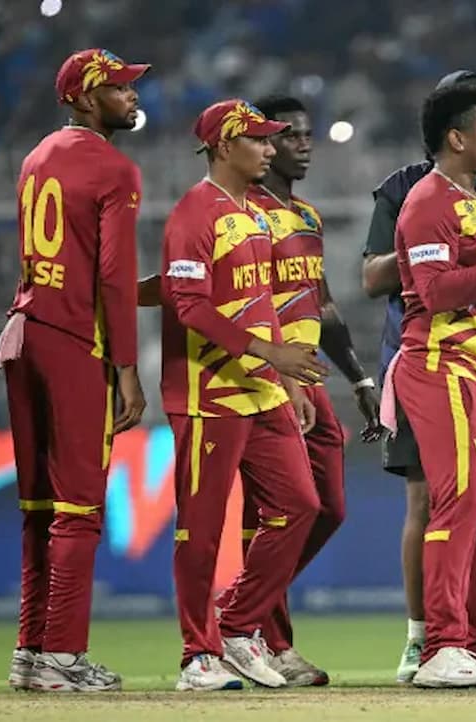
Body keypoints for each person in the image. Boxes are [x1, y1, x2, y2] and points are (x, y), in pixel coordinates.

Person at [361, 70, 476, 683]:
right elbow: (435, 292)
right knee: (455, 505)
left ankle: (469, 639)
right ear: (457, 138)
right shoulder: (427, 203)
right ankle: (439, 646)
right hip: (444, 370)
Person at [208, 94, 383, 687]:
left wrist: (359, 377)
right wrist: (279, 370)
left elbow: (321, 305)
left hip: (308, 377)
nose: (303, 145)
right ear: (260, 144)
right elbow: (247, 303)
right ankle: (268, 640)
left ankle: (240, 610)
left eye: (308, 135)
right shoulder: (243, 214)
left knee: (326, 509)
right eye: (290, 135)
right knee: (275, 514)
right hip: (260, 378)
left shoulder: (305, 217)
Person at [161, 98, 330, 692]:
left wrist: (287, 378)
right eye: (257, 139)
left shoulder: (255, 213)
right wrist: (271, 354)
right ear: (224, 146)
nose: (269, 148)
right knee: (202, 529)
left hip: (263, 390)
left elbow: (265, 303)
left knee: (301, 506)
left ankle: (235, 625)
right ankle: (197, 656)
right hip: (208, 394)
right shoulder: (194, 212)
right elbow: (188, 305)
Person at [0, 48, 149, 692]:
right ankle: (62, 655)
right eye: (119, 87)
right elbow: (112, 277)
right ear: (85, 99)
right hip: (74, 340)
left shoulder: (37, 156)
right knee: (79, 507)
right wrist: (127, 367)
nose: (132, 96)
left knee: (38, 507)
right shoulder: (115, 169)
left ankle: (31, 651)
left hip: (24, 330)